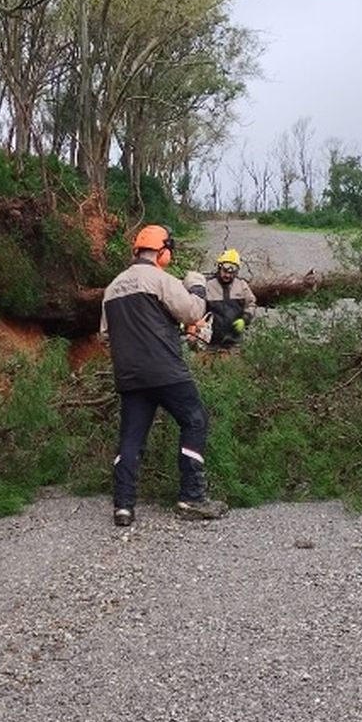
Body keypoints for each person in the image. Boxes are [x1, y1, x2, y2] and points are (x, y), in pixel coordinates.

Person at [99, 224, 229, 526]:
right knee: (195, 420)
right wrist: (196, 286)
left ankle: (123, 506)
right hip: (166, 371)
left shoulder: (112, 288)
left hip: (129, 376)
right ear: (162, 251)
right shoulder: (160, 279)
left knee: (131, 437)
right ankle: (192, 498)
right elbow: (193, 313)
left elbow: (104, 335)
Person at [202, 248, 257, 352]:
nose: (227, 275)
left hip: (234, 344)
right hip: (209, 343)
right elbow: (197, 309)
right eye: (225, 271)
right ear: (219, 268)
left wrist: (245, 318)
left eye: (232, 272)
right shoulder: (208, 286)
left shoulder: (242, 286)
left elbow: (251, 305)